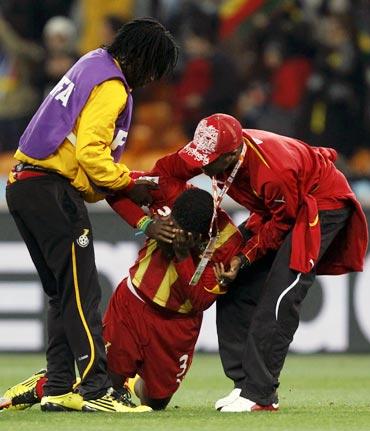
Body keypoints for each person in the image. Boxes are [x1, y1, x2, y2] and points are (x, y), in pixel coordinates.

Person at [139, 113, 368, 412]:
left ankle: (260, 394)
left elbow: (280, 224)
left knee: (280, 293)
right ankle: (243, 384)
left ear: (234, 154)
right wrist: (162, 207)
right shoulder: (210, 149)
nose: (202, 164)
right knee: (231, 284)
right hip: (274, 210)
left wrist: (243, 257)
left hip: (319, 203)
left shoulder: (273, 170)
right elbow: (166, 172)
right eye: (199, 155)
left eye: (210, 159)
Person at [5, 17, 178, 413]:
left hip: (24, 185)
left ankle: (61, 387)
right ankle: (95, 388)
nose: (151, 78)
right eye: (153, 66)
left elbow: (81, 160)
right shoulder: (112, 85)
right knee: (83, 295)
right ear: (138, 57)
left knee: (62, 295)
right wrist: (127, 182)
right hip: (52, 189)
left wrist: (119, 182)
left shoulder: (89, 64)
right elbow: (90, 155)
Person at [1, 182, 243, 411]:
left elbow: (201, 300)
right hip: (134, 304)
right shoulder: (167, 191)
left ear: (200, 237)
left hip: (178, 325)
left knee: (154, 401)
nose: (174, 233)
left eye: (182, 234)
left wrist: (182, 256)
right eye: (172, 224)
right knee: (105, 387)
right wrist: (146, 223)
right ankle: (46, 385)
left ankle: (125, 382)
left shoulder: (228, 243)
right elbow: (112, 189)